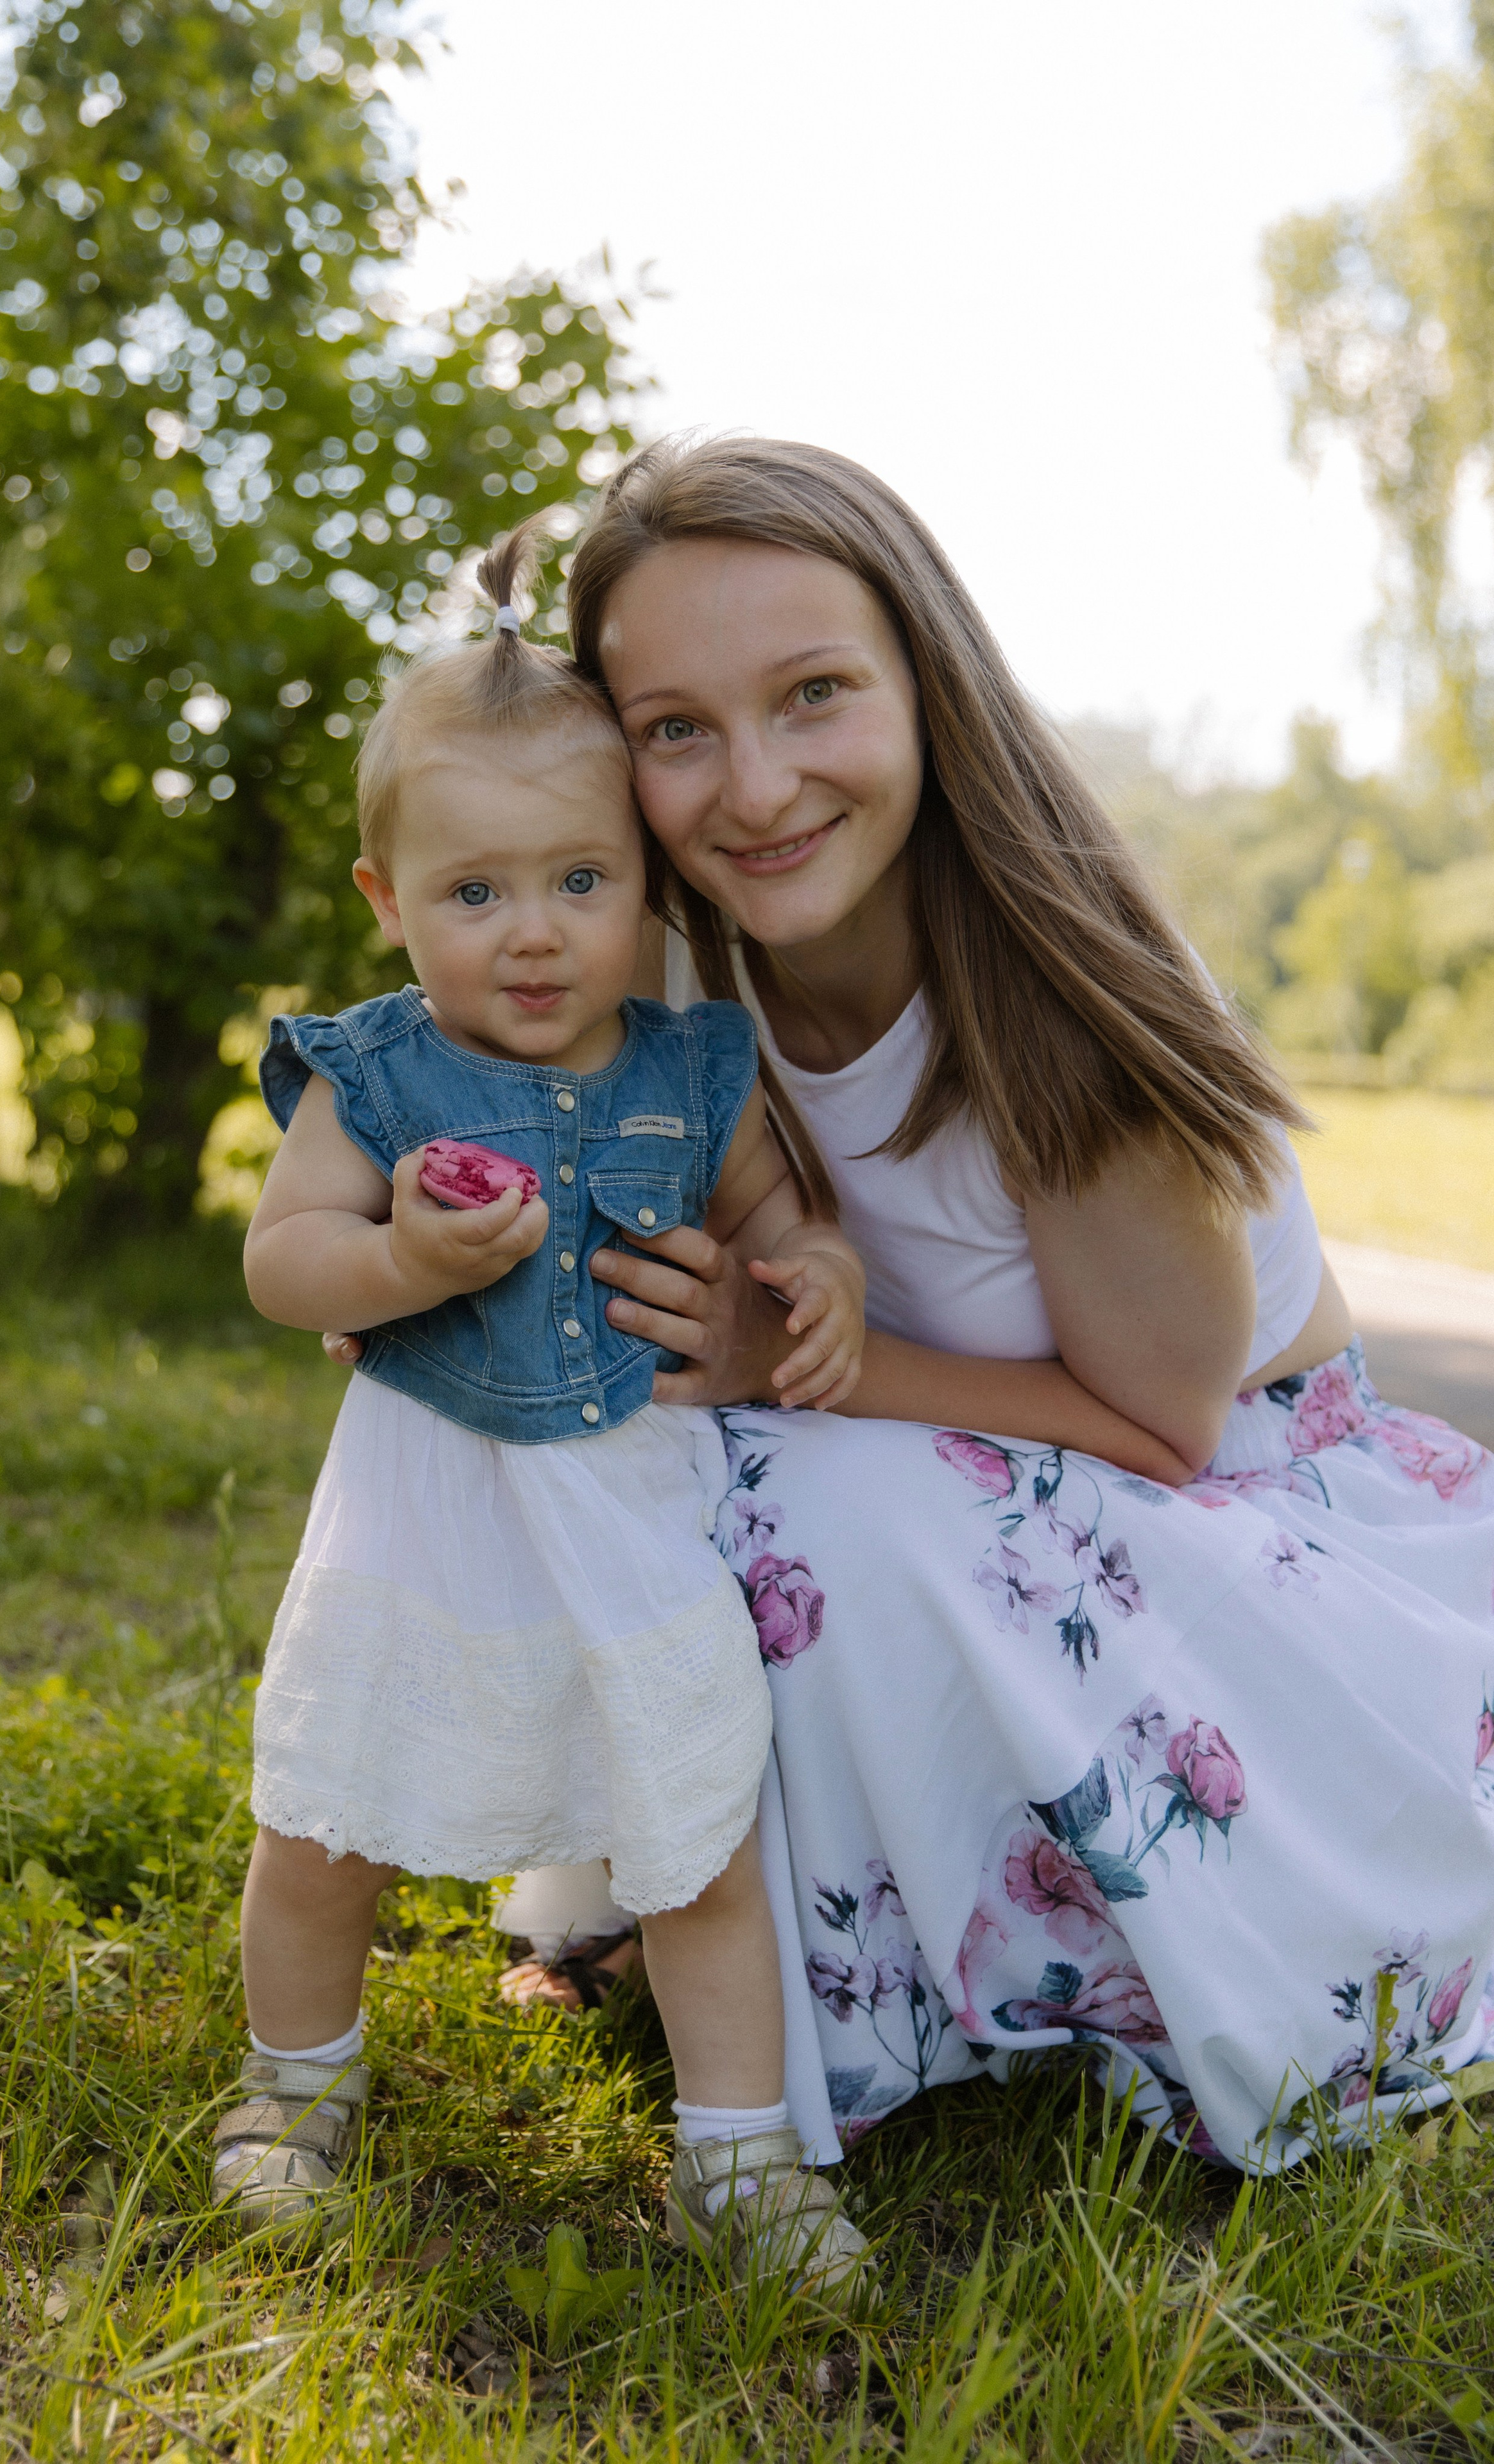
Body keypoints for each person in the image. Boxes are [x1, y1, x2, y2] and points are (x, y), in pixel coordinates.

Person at [343, 434, 1494, 2173]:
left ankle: (931, 1973)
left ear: (926, 686)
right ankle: (705, 1910)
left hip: (1237, 1517)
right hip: (947, 1474)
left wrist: (801, 1364)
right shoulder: (645, 954)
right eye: (676, 729)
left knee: (808, 1500)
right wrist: (437, 1281)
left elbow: (1165, 1430)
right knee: (646, 1457)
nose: (757, 789)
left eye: (814, 695)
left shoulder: (1056, 990)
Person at [218, 522, 871, 2291]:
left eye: (581, 881)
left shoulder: (691, 1070)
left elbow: (780, 1216)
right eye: (475, 894)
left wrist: (818, 1273)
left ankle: (740, 2156)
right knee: (326, 1822)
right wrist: (401, 1263)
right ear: (388, 899)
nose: (531, 934)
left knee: (698, 1834)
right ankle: (294, 2089)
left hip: (632, 1522)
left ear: (647, 883)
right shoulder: (376, 1073)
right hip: (422, 1518)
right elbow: (284, 1261)